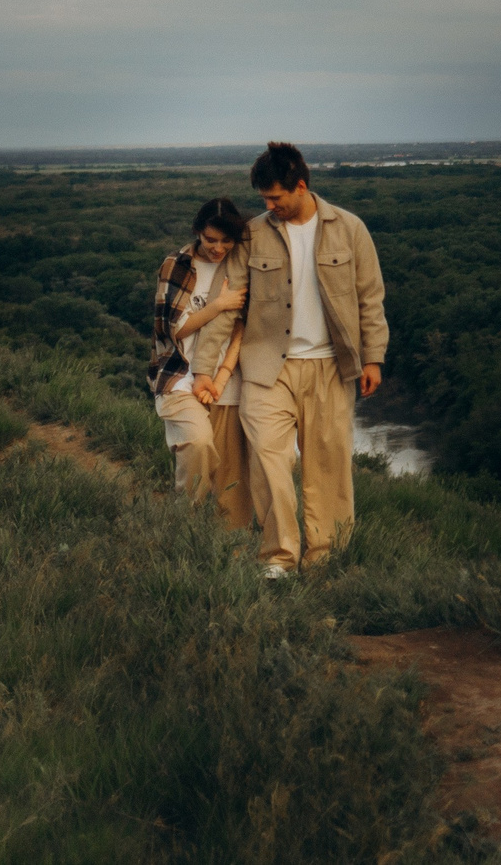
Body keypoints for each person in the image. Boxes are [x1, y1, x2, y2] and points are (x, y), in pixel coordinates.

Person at [235, 141, 388, 578]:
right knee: (269, 461)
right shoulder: (253, 234)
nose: (268, 206)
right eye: (263, 198)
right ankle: (278, 561)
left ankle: (327, 561)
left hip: (330, 367)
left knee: (329, 466)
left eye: (275, 197)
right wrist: (210, 369)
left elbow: (369, 298)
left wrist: (373, 358)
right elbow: (232, 307)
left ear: (300, 187)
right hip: (267, 367)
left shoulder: (350, 229)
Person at [147, 198, 256, 527]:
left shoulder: (241, 264)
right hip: (178, 373)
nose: (218, 248)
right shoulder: (177, 264)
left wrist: (222, 376)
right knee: (197, 443)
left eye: (226, 241)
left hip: (227, 379)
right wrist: (218, 305)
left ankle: (230, 548)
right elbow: (173, 329)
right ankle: (184, 523)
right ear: (197, 233)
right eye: (211, 240)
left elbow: (242, 329)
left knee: (232, 476)